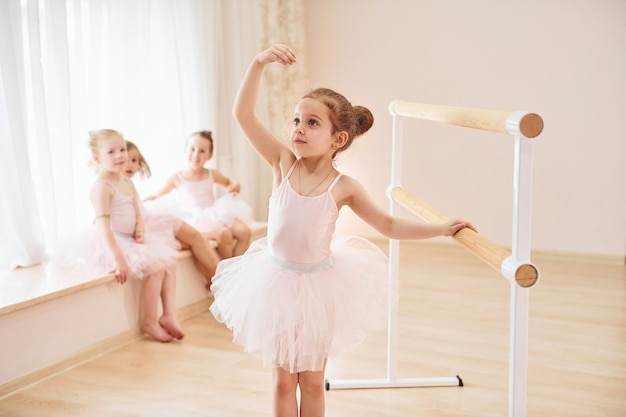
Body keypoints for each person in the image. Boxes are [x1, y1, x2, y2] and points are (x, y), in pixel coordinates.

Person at [209, 44, 477, 417]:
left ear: (338, 139)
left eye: (312, 122)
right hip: (274, 285)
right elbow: (243, 115)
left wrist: (440, 229)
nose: (299, 129)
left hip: (319, 290)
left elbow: (389, 224)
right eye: (296, 120)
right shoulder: (282, 164)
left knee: (313, 382)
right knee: (283, 381)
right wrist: (257, 63)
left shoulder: (344, 187)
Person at [51, 129, 185, 343]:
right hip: (113, 241)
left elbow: (136, 209)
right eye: (111, 152)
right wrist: (118, 258)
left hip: (130, 237)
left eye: (122, 149)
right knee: (157, 268)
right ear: (97, 159)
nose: (120, 155)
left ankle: (169, 315)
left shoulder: (126, 181)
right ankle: (150, 320)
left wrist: (140, 228)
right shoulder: (101, 187)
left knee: (169, 262)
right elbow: (103, 227)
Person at [124, 140, 219, 289]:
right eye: (126, 160)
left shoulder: (127, 184)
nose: (130, 165)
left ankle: (220, 281)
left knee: (196, 239)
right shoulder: (112, 186)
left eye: (134, 160)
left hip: (149, 220)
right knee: (193, 241)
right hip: (143, 230)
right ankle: (222, 282)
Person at [145, 130, 253, 259]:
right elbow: (157, 196)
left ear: (210, 155)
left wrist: (235, 185)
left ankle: (236, 268)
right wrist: (140, 202)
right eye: (192, 149)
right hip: (194, 217)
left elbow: (229, 183)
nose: (196, 154)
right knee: (225, 235)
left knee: (245, 232)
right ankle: (227, 273)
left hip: (215, 211)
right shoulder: (177, 177)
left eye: (202, 151)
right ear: (185, 150)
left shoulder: (211, 174)